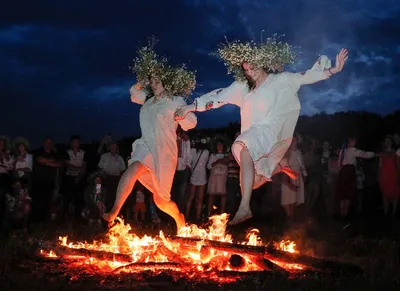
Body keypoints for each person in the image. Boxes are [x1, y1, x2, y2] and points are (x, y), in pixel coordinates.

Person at [175, 35, 349, 224]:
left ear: (263, 62)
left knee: (242, 147)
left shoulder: (280, 80)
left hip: (270, 131)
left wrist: (334, 69)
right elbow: (218, 96)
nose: (250, 72)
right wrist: (190, 107)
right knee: (251, 182)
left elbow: (305, 76)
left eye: (253, 67)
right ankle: (279, 168)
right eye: (246, 69)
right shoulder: (242, 88)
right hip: (255, 135)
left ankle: (244, 208)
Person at [103, 39, 197, 230]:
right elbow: (133, 93)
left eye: (156, 81)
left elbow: (192, 122)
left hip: (164, 151)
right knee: (133, 168)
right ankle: (114, 211)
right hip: (146, 145)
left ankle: (179, 218)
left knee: (161, 201)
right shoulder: (147, 100)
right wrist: (142, 81)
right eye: (152, 82)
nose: (153, 85)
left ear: (166, 82)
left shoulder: (173, 100)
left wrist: (182, 114)